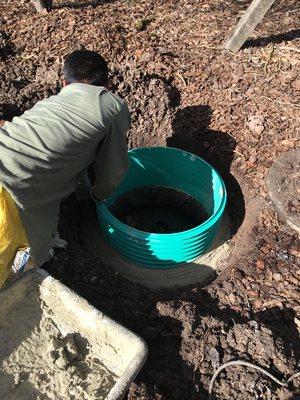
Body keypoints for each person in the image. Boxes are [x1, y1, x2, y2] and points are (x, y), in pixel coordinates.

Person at [0, 49, 130, 288]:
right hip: (12, 183)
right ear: (107, 83)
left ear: (64, 82)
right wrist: (98, 197)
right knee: (22, 245)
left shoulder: (49, 103)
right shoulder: (111, 106)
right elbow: (112, 170)